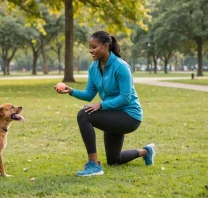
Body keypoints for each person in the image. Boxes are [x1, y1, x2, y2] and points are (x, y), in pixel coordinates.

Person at [55, 31, 155, 176]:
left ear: (106, 46)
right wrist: (71, 91)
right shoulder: (94, 68)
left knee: (84, 115)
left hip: (129, 116)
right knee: (114, 160)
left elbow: (125, 97)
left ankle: (94, 165)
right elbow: (89, 94)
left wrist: (100, 105)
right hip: (112, 113)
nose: (91, 50)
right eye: (89, 47)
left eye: (94, 47)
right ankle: (146, 152)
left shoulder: (121, 67)